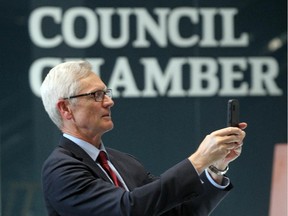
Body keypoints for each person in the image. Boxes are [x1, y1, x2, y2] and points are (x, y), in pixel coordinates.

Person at [40, 60, 247, 216]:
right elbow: (128, 209)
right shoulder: (61, 169)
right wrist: (199, 160)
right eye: (96, 95)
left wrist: (216, 167)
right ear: (66, 108)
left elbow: (179, 212)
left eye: (106, 93)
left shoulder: (123, 162)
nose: (109, 102)